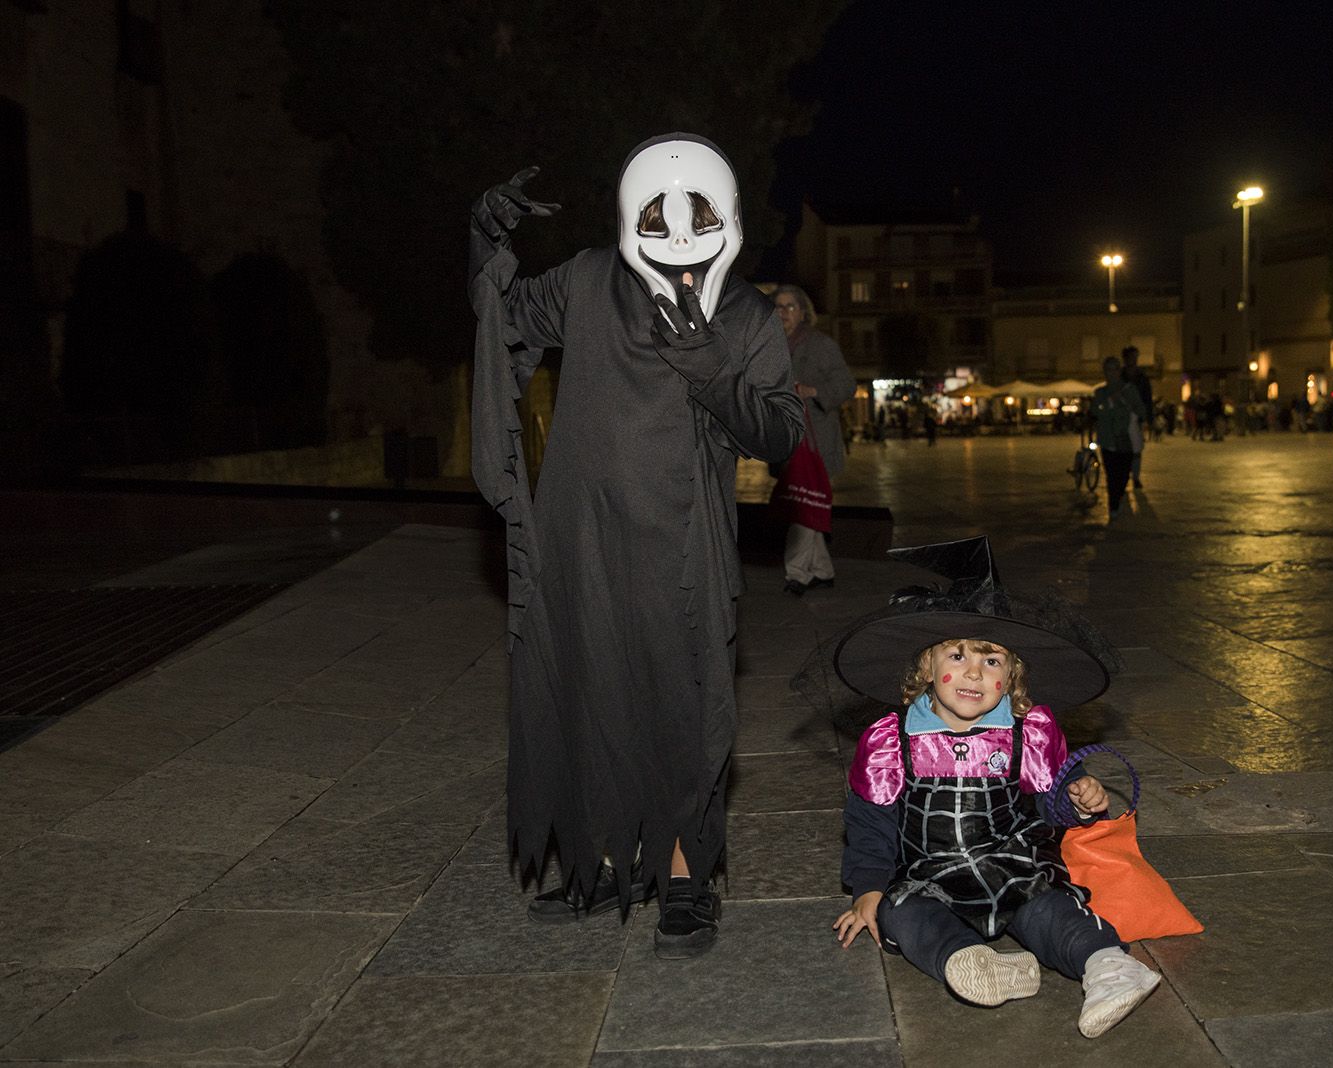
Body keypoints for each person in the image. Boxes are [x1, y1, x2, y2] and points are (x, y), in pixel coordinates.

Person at [468, 135, 805, 957]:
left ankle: (684, 880)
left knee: (682, 711)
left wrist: (712, 368)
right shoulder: (587, 280)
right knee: (589, 693)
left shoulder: (749, 315)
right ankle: (612, 864)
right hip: (578, 534)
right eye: (659, 221)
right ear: (634, 219)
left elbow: (781, 436)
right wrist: (485, 239)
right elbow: (500, 319)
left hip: (682, 549)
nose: (681, 254)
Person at [829, 538, 1161, 1037]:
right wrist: (869, 887)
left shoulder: (1029, 732)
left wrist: (1078, 799)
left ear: (1012, 677)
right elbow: (870, 820)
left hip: (1012, 866)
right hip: (928, 876)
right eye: (957, 655)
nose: (972, 672)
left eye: (991, 662)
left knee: (1050, 909)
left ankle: (1109, 966)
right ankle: (971, 962)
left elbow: (1052, 805)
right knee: (900, 914)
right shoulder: (890, 740)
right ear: (925, 669)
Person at [773, 284, 854, 597]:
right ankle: (822, 570)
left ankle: (797, 573)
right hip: (788, 439)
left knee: (803, 505)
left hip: (817, 441)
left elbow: (846, 384)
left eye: (789, 306)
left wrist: (813, 391)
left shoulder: (821, 344)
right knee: (807, 502)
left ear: (803, 311)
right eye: (778, 307)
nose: (783, 313)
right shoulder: (771, 346)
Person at [1089, 356, 1141, 518]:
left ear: (1120, 371)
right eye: (1108, 369)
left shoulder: (1130, 390)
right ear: (1104, 372)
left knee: (1124, 474)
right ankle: (1113, 505)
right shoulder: (1100, 393)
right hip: (1108, 440)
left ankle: (1117, 497)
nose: (1112, 373)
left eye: (1115, 369)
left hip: (1126, 440)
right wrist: (1110, 404)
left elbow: (1141, 411)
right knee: (1111, 475)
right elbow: (1095, 412)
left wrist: (1123, 404)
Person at [1121, 346, 1154, 488]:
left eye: (1136, 357)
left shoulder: (1142, 377)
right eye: (1131, 357)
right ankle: (1125, 476)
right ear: (1126, 358)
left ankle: (1135, 477)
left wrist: (1149, 417)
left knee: (1137, 448)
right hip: (1121, 417)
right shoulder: (1119, 376)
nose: (1134, 360)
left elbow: (1147, 398)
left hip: (1137, 417)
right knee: (1122, 449)